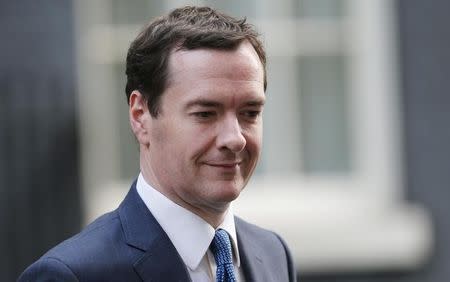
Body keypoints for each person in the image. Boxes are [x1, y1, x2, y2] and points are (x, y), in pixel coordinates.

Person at [19, 6, 297, 282]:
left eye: (250, 113)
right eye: (205, 114)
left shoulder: (274, 256)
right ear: (140, 117)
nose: (234, 138)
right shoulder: (71, 275)